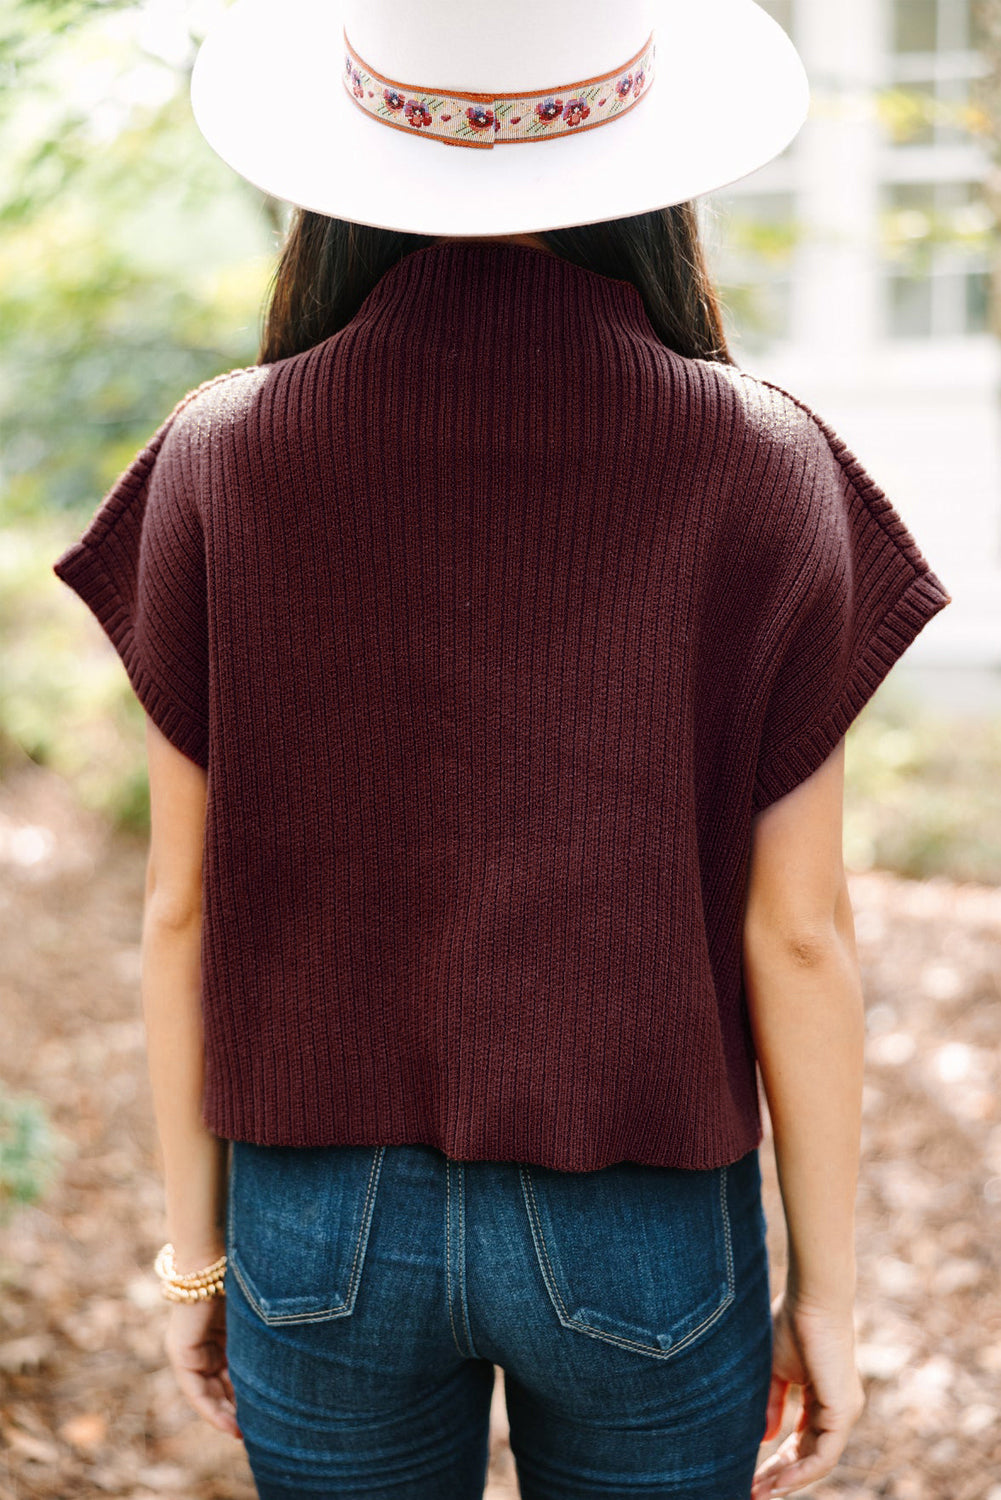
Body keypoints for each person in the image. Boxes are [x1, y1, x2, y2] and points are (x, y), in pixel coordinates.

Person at [51, 1, 953, 1496]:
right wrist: (831, 1300)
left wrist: (196, 1264)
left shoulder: (222, 452)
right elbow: (796, 936)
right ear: (646, 165)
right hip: (645, 1227)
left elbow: (181, 908)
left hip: (315, 1226)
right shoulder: (761, 462)